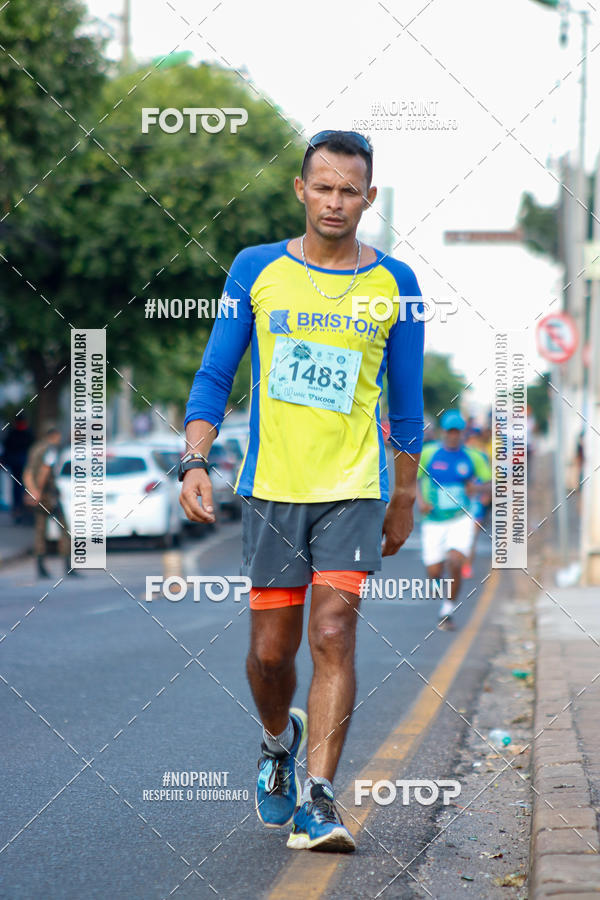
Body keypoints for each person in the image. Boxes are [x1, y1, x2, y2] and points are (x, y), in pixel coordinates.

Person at [180, 130, 424, 852]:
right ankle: (275, 739)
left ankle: (318, 800)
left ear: (368, 198)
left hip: (354, 489)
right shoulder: (255, 269)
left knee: (333, 634)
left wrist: (403, 496)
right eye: (323, 187)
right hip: (271, 489)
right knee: (270, 655)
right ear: (301, 190)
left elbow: (407, 404)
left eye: (349, 190)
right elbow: (214, 376)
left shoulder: (396, 283)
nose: (334, 202)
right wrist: (193, 460)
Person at [417, 410, 491, 630]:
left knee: (456, 561)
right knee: (434, 570)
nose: (453, 436)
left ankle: (447, 610)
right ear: (443, 432)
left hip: (461, 517)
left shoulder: (473, 457)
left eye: (458, 432)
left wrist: (476, 488)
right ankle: (437, 582)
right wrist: (420, 501)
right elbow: (412, 478)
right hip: (433, 519)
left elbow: (491, 483)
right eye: (450, 431)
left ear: (463, 433)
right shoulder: (429, 453)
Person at [23, 425, 76, 579]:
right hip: (48, 495)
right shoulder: (50, 450)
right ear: (54, 436)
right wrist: (38, 491)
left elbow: (27, 473)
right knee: (64, 529)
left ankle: (41, 568)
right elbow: (45, 470)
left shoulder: (35, 449)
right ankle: (68, 566)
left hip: (39, 495)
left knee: (40, 531)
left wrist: (32, 491)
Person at [1, 412, 34, 522]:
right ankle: (21, 508)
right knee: (22, 486)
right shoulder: (27, 433)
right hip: (22, 463)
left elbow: (6, 448)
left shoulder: (13, 432)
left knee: (17, 486)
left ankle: (19, 508)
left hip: (16, 463)